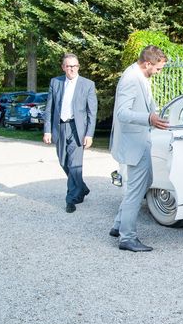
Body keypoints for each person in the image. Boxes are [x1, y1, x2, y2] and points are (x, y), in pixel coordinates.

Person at [109, 46, 169, 252]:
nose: (159, 72)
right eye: (158, 69)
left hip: (141, 141)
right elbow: (122, 113)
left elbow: (146, 106)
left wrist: (156, 114)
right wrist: (149, 119)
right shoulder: (130, 79)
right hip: (133, 143)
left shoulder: (141, 77)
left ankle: (119, 223)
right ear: (147, 63)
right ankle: (127, 237)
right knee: (137, 189)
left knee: (146, 182)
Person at [43, 53, 98, 213]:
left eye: (74, 66)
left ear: (78, 67)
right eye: (68, 66)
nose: (71, 69)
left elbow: (91, 112)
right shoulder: (56, 82)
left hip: (77, 128)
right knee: (63, 162)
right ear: (63, 67)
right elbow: (49, 108)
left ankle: (71, 199)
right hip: (59, 127)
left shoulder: (88, 84)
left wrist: (89, 134)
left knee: (74, 164)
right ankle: (82, 187)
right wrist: (47, 130)